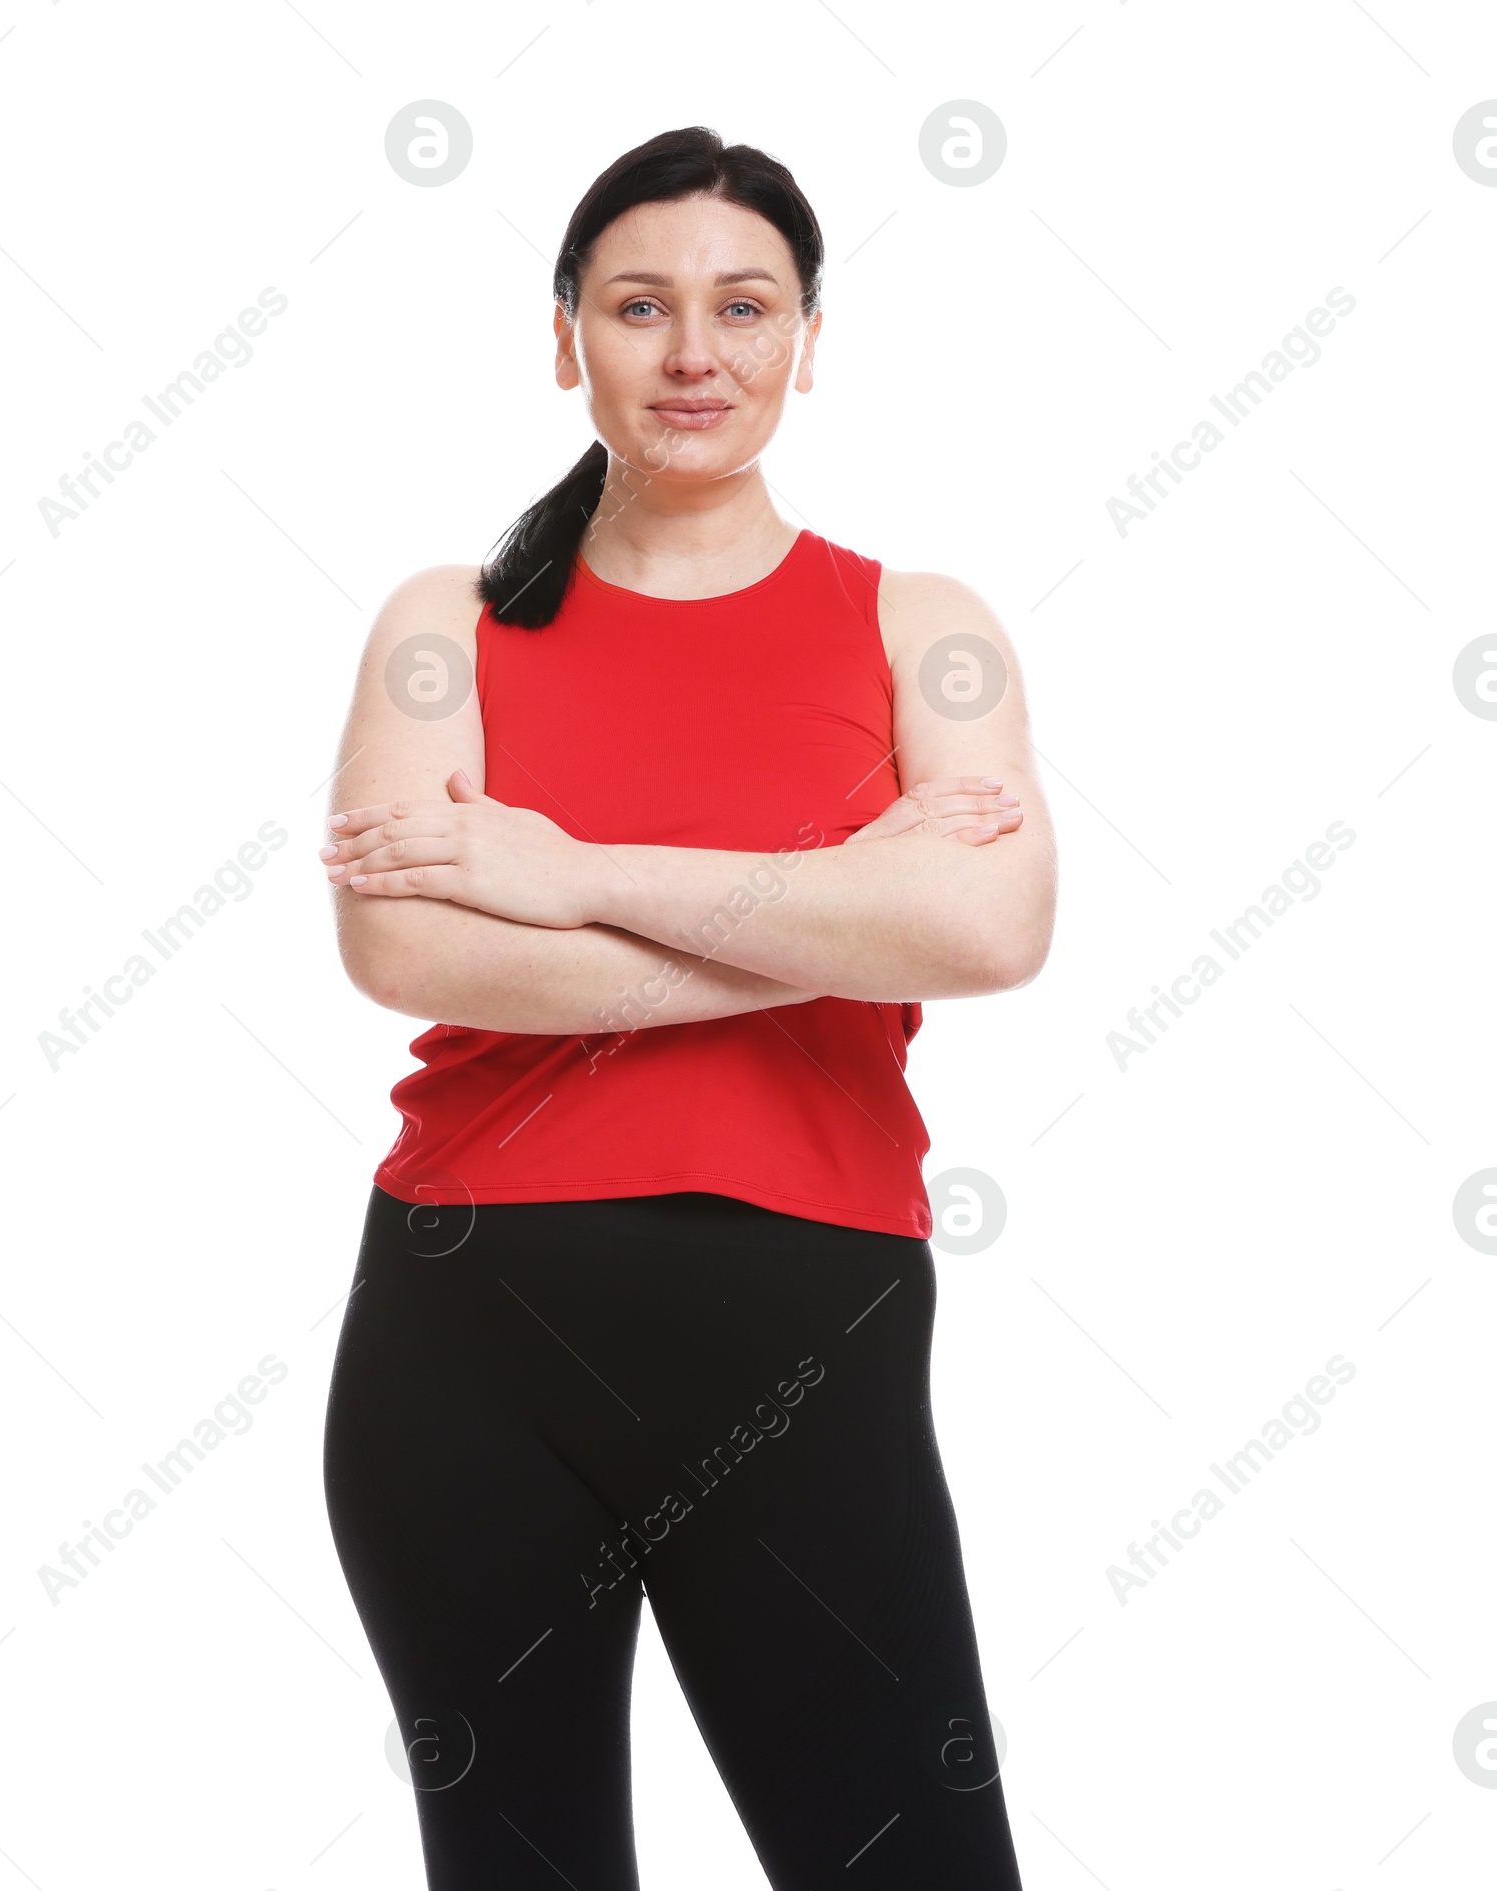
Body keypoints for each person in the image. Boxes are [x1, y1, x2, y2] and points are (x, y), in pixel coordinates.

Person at [318, 124, 1054, 1891]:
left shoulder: (922, 624)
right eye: (641, 307)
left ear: (811, 334)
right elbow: (407, 952)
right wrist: (840, 903)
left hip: (808, 1334)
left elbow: (994, 928)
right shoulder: (450, 624)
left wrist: (569, 867)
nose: (695, 353)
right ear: (567, 332)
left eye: (746, 306)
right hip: (464, 1334)